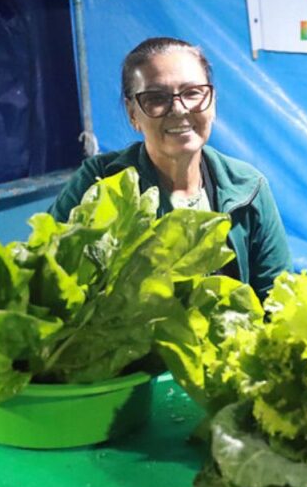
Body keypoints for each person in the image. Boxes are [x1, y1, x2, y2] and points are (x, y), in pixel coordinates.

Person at [48, 37, 292, 299]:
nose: (178, 109)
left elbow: (278, 300)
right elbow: (47, 281)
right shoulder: (98, 182)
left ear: (212, 102)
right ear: (133, 114)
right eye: (156, 98)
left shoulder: (248, 188)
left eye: (192, 92)